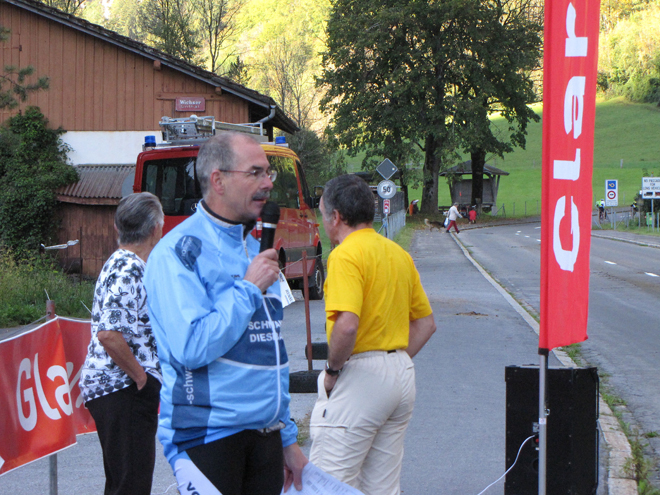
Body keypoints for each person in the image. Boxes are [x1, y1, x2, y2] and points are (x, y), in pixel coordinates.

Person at [144, 132, 307, 495]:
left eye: (269, 173)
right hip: (208, 435)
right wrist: (248, 289)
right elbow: (191, 345)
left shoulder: (254, 247)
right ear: (217, 180)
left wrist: (287, 438)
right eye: (255, 172)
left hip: (264, 434)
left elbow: (271, 351)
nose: (267, 183)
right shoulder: (177, 253)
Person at [309, 174, 436, 495]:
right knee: (381, 488)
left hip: (360, 375)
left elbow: (347, 324)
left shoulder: (345, 255)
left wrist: (332, 371)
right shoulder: (397, 254)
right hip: (400, 373)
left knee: (327, 483)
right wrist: (393, 362)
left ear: (336, 217)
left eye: (323, 215)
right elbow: (425, 324)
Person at [79, 192, 164, 495]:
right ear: (157, 228)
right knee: (131, 484)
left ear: (117, 228)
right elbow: (109, 334)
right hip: (123, 387)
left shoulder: (122, 263)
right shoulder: (128, 269)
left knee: (123, 482)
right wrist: (141, 378)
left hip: (119, 388)